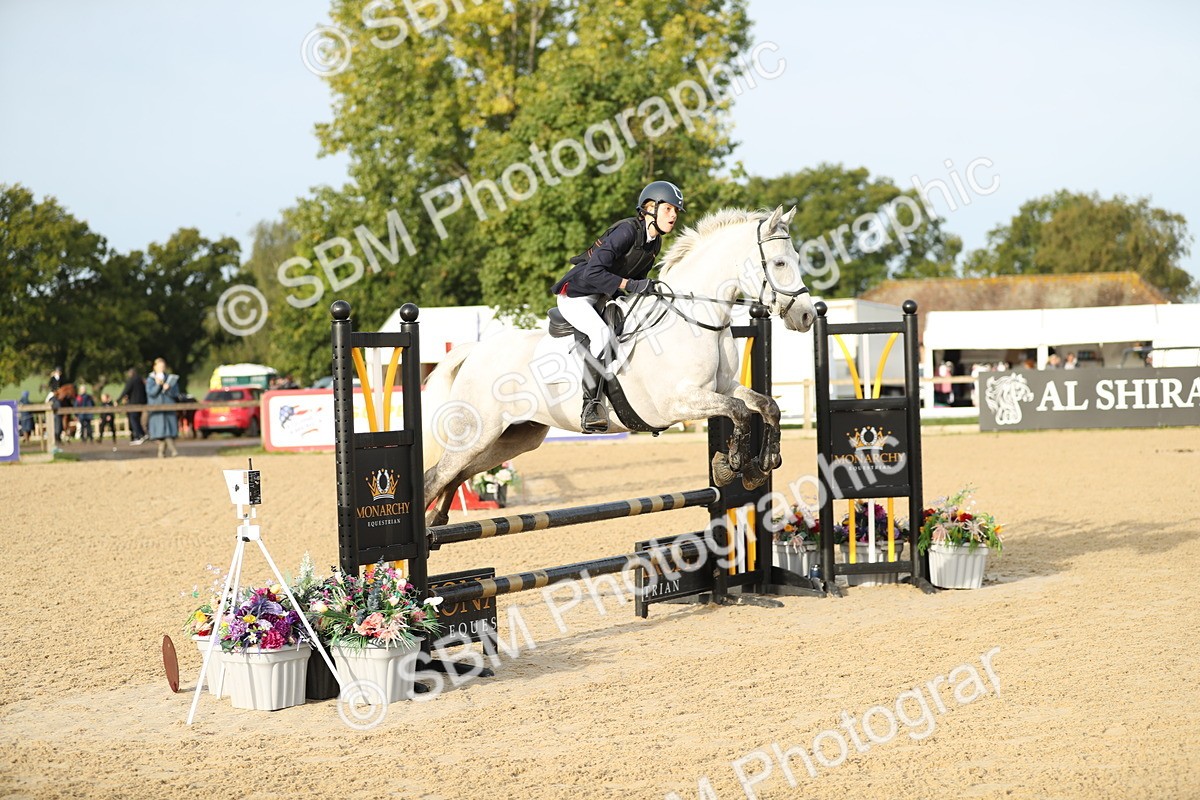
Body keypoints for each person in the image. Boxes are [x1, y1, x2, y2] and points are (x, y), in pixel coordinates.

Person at [550, 180, 684, 432]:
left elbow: (638, 280)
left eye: (676, 211)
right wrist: (631, 285)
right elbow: (592, 273)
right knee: (601, 335)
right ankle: (590, 406)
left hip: (604, 296)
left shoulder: (654, 242)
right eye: (669, 209)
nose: (674, 215)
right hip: (577, 296)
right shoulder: (626, 231)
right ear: (650, 208)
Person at [146, 357, 181, 458]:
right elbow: (151, 393)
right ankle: (172, 450)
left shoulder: (169, 378)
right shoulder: (150, 380)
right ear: (155, 367)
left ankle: (162, 452)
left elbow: (175, 393)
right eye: (159, 366)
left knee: (168, 430)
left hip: (168, 407)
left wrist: (168, 388)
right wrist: (157, 385)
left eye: (163, 366)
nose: (161, 368)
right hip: (156, 408)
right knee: (161, 431)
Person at [119, 367, 148, 444]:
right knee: (138, 419)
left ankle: (139, 435)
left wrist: (118, 400)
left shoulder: (131, 380)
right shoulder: (141, 380)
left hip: (133, 403)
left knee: (133, 419)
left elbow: (126, 390)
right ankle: (142, 434)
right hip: (142, 403)